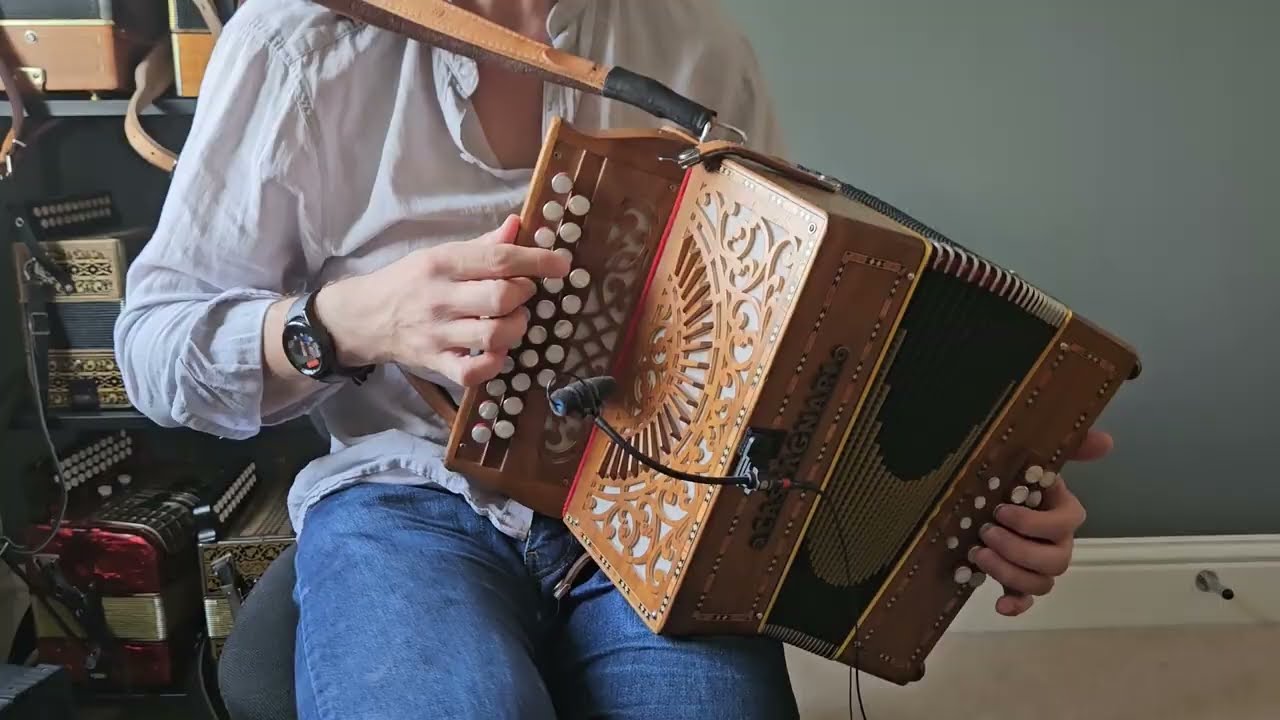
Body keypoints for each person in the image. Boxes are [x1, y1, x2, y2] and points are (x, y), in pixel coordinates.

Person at [114, 1, 1112, 717]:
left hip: (659, 514)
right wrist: (342, 322)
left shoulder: (690, 40)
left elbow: (788, 340)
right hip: (402, 494)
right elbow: (151, 351)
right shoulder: (296, 42)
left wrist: (970, 500)